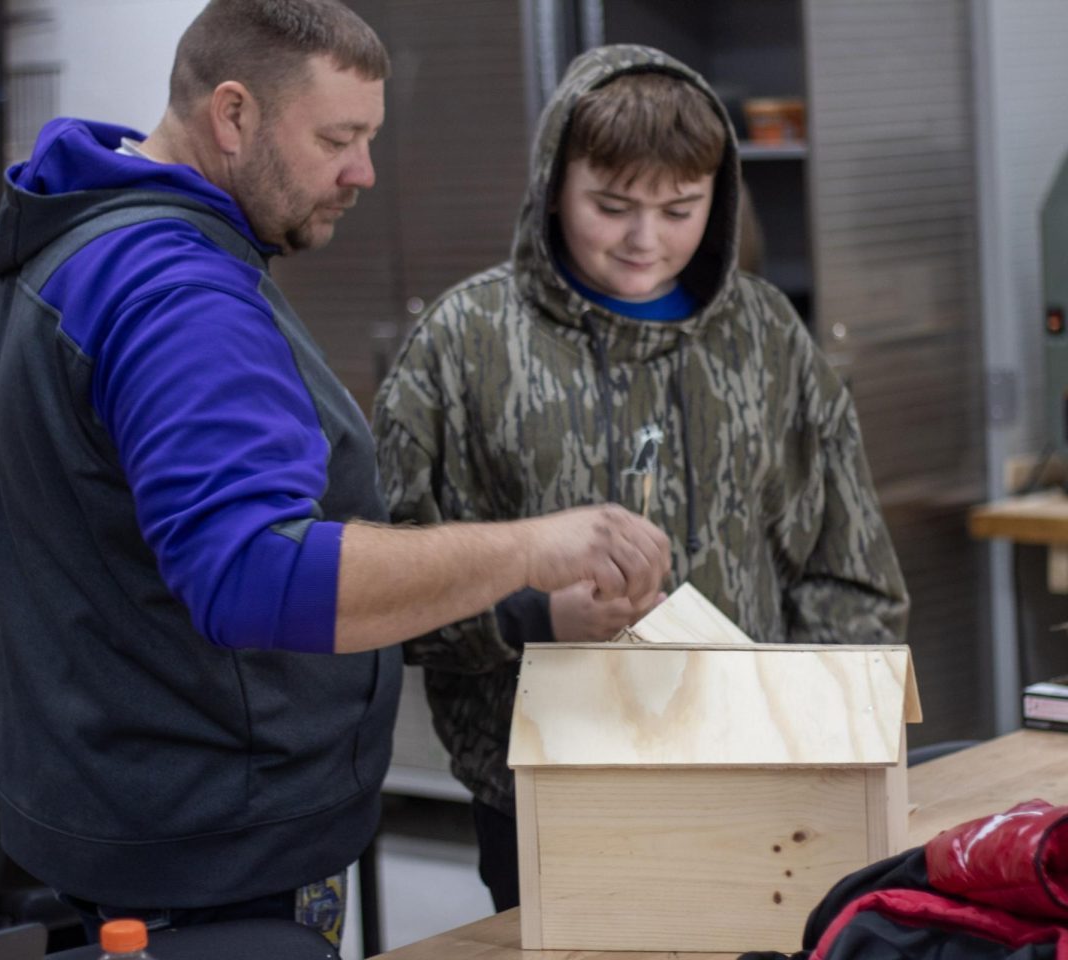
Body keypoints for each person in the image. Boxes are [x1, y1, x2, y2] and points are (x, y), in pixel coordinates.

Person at [0, 4, 671, 946]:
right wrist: (534, 548)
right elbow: (260, 575)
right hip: (206, 852)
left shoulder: (80, 237)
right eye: (338, 138)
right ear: (233, 116)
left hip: (122, 812)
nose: (362, 173)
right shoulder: (177, 297)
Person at [373, 44, 910, 913]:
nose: (643, 241)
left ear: (719, 201)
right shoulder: (465, 342)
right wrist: (536, 619)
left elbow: (847, 573)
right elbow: (390, 586)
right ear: (554, 184)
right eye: (611, 205)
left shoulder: (766, 337)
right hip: (542, 796)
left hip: (757, 788)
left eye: (680, 209)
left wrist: (826, 752)